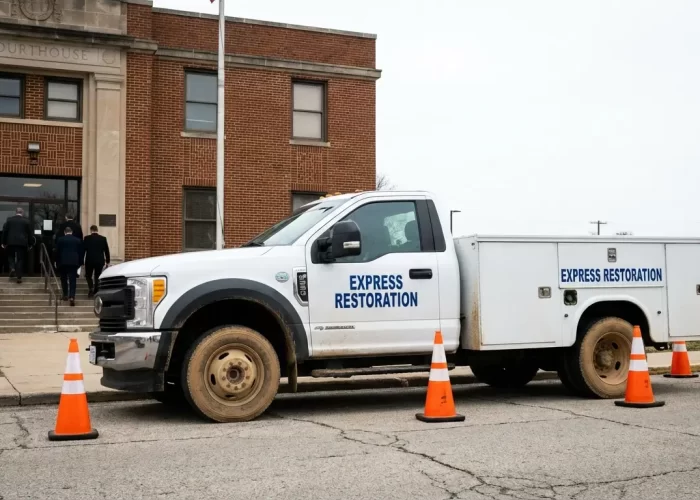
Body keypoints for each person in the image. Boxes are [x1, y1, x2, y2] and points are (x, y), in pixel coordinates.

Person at [1, 207, 34, 284]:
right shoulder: (26, 221)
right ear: (22, 213)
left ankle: (12, 268)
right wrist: (30, 244)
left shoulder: (9, 220)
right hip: (22, 243)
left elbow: (5, 232)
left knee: (10, 256)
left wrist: (3, 242)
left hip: (11, 242)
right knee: (20, 259)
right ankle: (19, 276)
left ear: (16, 212)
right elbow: (29, 234)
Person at [56, 226, 84, 306]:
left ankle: (65, 295)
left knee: (63, 279)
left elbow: (57, 252)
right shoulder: (77, 240)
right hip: (73, 262)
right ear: (71, 232)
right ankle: (72, 296)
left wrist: (56, 261)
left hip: (63, 262)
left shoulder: (60, 240)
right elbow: (80, 252)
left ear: (65, 232)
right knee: (73, 280)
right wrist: (80, 263)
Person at [83, 225, 110, 298]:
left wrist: (81, 261)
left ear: (91, 230)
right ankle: (96, 289)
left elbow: (83, 251)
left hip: (89, 260)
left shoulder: (86, 238)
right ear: (97, 230)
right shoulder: (103, 239)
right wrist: (107, 261)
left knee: (88, 275)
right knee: (97, 276)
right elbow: (107, 251)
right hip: (99, 260)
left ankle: (91, 288)